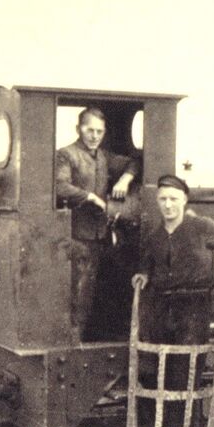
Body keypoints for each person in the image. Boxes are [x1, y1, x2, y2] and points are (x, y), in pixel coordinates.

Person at [131, 174, 214, 427]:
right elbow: (147, 262)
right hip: (161, 306)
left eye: (173, 199)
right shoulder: (155, 236)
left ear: (184, 200)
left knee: (186, 368)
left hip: (193, 306)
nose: (168, 205)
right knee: (159, 366)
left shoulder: (201, 227)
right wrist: (143, 275)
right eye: (163, 199)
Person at [55, 107, 140, 341]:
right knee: (78, 296)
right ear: (78, 129)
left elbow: (134, 162)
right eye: (89, 130)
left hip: (100, 237)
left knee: (96, 294)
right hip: (76, 236)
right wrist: (90, 197)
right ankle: (73, 342)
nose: (94, 136)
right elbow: (60, 186)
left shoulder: (104, 157)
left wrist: (125, 179)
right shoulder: (66, 155)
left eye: (99, 132)